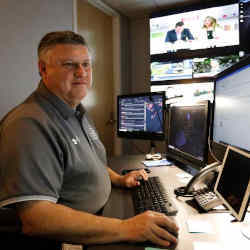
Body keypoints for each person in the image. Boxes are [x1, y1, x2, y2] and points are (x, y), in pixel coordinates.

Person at [0, 31, 179, 248]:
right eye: (69, 64)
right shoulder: (29, 124)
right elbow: (36, 218)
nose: (81, 72)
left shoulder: (77, 111)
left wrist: (118, 179)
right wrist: (127, 227)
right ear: (43, 69)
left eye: (86, 64)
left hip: (100, 217)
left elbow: (90, 162)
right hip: (68, 242)